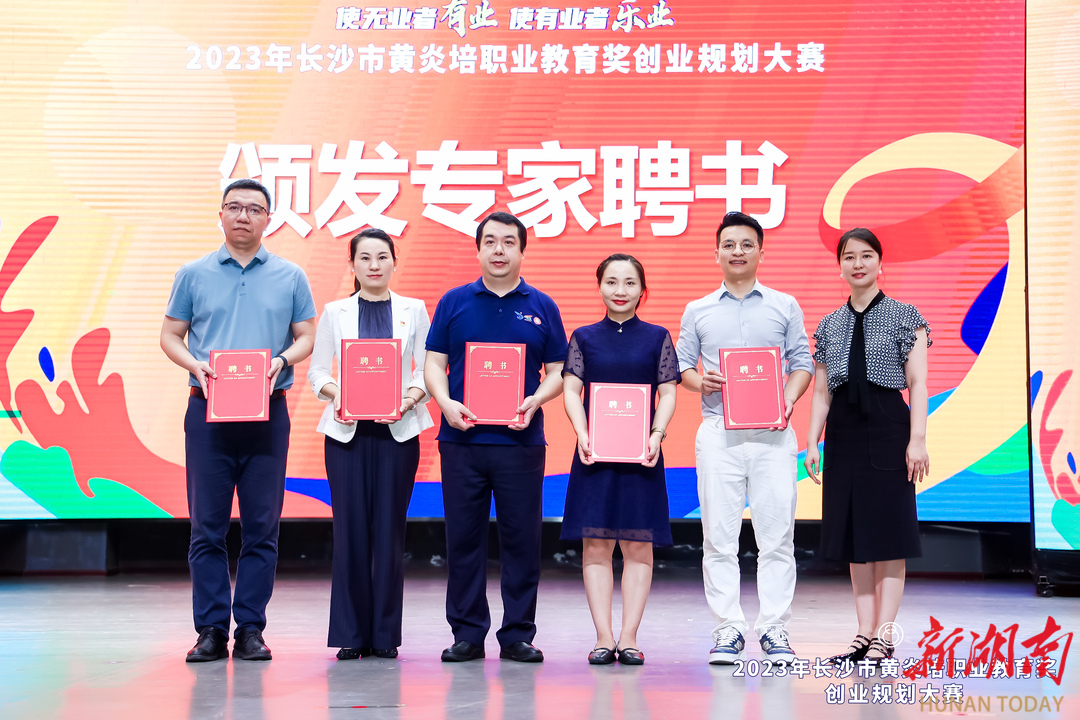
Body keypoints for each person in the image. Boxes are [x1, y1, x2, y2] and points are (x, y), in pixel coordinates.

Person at [160, 178, 317, 662]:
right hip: (207, 411)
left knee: (261, 527)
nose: (243, 216)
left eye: (254, 209)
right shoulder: (193, 274)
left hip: (268, 413)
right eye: (234, 207)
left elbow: (307, 336)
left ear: (268, 218)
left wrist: (282, 361)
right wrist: (195, 365)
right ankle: (210, 629)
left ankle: (250, 628)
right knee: (206, 527)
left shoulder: (291, 275)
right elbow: (170, 335)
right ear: (221, 214)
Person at [424, 211, 568, 663]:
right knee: (463, 540)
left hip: (521, 443)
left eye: (508, 242)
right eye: (490, 241)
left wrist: (535, 400)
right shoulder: (454, 301)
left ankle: (517, 634)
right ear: (478, 249)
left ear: (522, 250)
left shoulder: (542, 305)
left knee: (522, 540)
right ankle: (467, 633)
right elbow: (434, 363)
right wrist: (445, 403)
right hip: (461, 441)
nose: (499, 250)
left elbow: (558, 371)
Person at [675, 211, 814, 665]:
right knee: (719, 538)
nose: (738, 252)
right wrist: (701, 382)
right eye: (729, 244)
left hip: (774, 435)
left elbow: (802, 364)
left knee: (778, 538)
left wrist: (787, 400)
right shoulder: (698, 309)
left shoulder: (784, 305)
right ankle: (728, 629)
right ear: (716, 252)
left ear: (760, 252)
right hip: (719, 435)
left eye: (747, 244)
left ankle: (774, 629)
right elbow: (682, 366)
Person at [804, 227, 930, 665]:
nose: (857, 264)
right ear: (839, 265)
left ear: (879, 262)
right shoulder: (829, 324)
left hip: (890, 429)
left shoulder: (906, 316)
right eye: (849, 257)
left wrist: (917, 440)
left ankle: (885, 636)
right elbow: (822, 391)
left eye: (866, 255)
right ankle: (863, 633)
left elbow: (917, 383)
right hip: (843, 434)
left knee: (889, 537)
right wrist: (812, 440)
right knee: (855, 536)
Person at [307, 228, 434, 660]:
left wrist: (408, 400)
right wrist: (340, 396)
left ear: (395, 262)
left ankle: (384, 635)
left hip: (398, 433)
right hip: (347, 435)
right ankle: (351, 632)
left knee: (389, 533)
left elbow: (427, 371)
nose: (374, 265)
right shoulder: (335, 311)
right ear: (352, 264)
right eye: (365, 258)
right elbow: (318, 372)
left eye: (382, 257)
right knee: (350, 532)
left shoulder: (414, 309)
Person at [561, 254, 679, 666]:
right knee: (595, 546)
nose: (620, 291)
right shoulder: (584, 337)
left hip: (641, 455)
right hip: (594, 454)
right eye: (611, 282)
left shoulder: (658, 337)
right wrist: (582, 433)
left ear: (643, 290)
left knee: (638, 546)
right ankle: (603, 637)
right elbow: (571, 390)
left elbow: (668, 392)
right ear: (599, 287)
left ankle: (628, 638)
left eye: (630, 283)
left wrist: (656, 435)